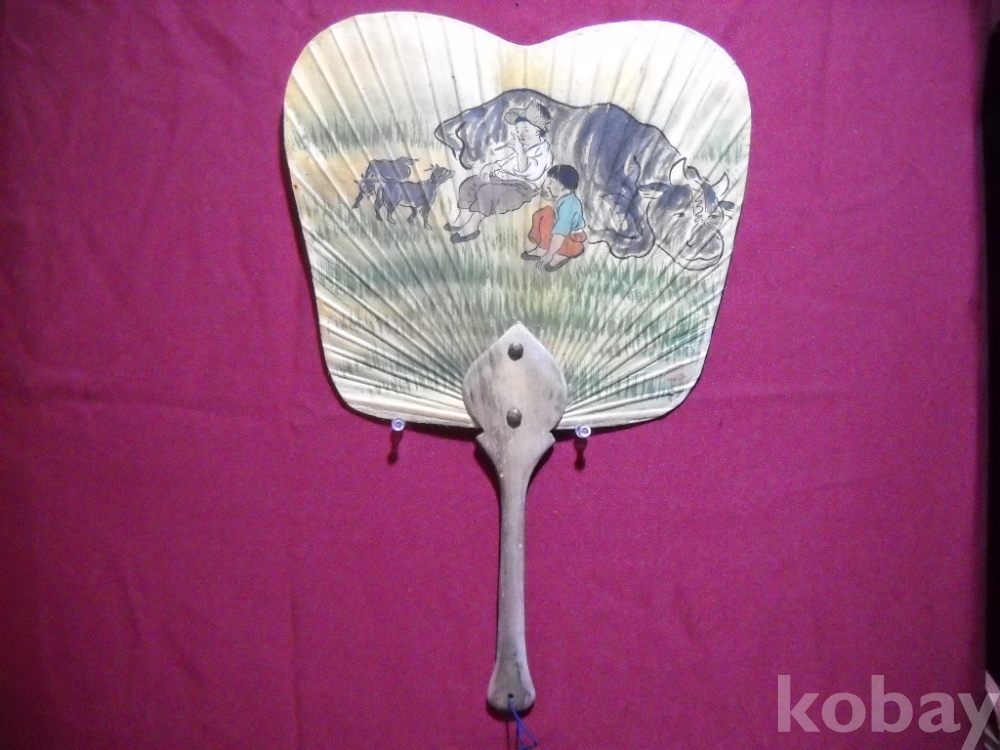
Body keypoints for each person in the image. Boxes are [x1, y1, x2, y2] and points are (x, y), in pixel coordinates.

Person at [446, 102, 553, 243]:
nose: (520, 134)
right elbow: (508, 163)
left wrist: (519, 152)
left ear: (537, 131)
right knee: (469, 184)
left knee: (486, 192)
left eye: (526, 130)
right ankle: (462, 219)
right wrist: (492, 166)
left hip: (523, 187)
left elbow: (526, 169)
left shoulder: (543, 151)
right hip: (504, 180)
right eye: (518, 130)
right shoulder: (524, 147)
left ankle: (471, 227)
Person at [521, 165, 586, 271]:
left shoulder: (568, 206)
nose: (548, 186)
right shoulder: (564, 198)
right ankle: (542, 248)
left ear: (562, 186)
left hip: (570, 240)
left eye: (551, 183)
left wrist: (549, 255)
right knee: (544, 213)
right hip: (563, 235)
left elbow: (560, 233)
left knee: (549, 220)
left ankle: (561, 254)